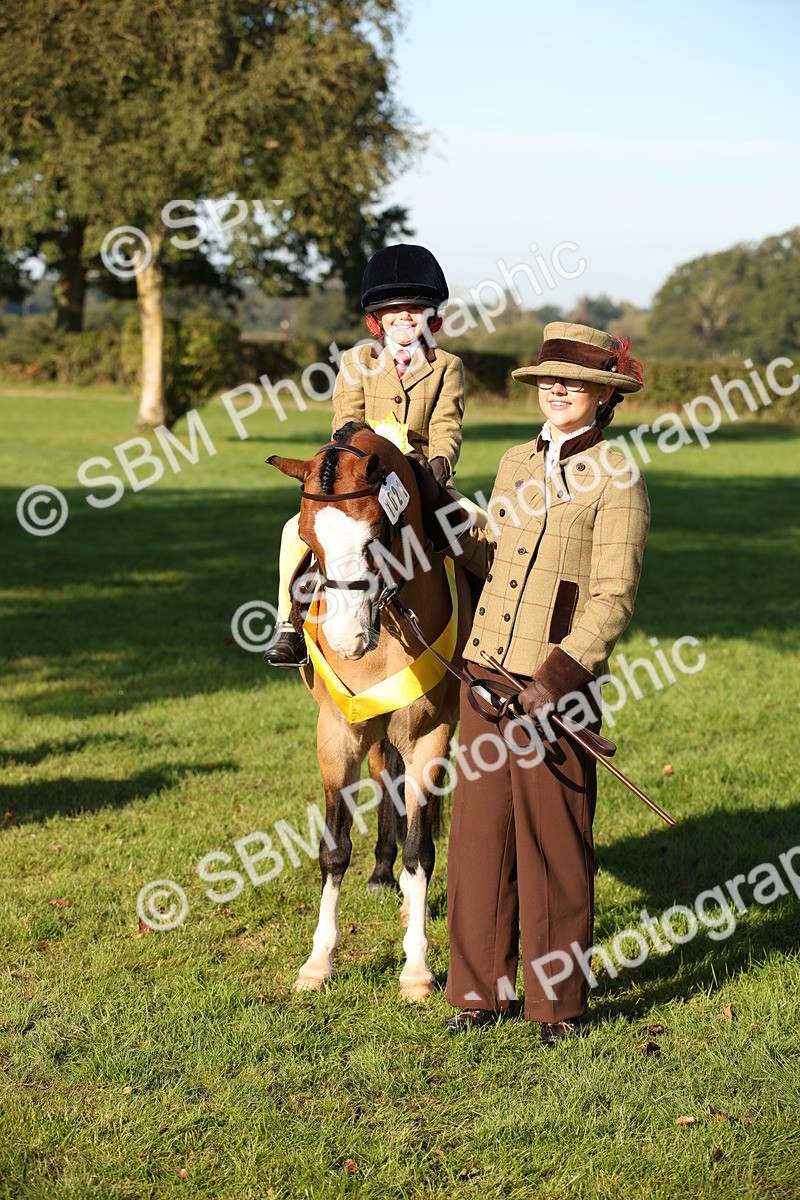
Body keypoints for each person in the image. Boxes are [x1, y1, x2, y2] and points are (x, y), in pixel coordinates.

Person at [418, 321, 650, 1044]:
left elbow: (612, 598)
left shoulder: (619, 478)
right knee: (480, 841)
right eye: (550, 378)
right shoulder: (518, 461)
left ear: (602, 397)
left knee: (554, 845)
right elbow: (492, 557)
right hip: (484, 674)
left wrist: (555, 678)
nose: (557, 389)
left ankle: (558, 1007)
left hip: (555, 689)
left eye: (574, 382)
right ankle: (478, 994)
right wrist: (446, 512)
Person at [266, 243, 485, 666]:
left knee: (482, 527)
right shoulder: (355, 362)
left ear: (431, 318)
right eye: (394, 310)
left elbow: (446, 425)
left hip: (423, 477)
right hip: (362, 479)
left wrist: (440, 461)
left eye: (415, 308)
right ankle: (289, 627)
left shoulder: (447, 366)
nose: (405, 316)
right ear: (375, 321)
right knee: (293, 531)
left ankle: (488, 631)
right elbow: (345, 425)